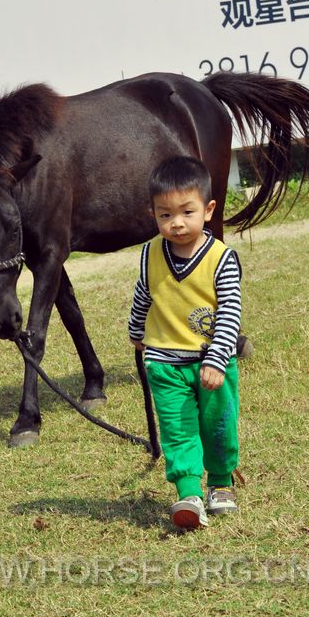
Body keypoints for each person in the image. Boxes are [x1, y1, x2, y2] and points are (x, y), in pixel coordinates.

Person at [129, 156, 241, 530]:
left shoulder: (221, 259)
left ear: (208, 210)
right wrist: (135, 331)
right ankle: (189, 494)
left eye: (186, 212)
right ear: (153, 213)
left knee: (218, 426)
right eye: (164, 215)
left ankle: (221, 482)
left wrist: (216, 358)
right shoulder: (149, 255)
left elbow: (229, 313)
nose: (176, 223)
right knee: (177, 428)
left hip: (212, 362)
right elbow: (144, 295)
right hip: (164, 362)